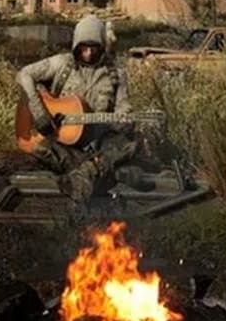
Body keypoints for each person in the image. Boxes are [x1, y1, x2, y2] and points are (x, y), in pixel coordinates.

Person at [16, 15, 141, 202]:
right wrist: (39, 113)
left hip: (99, 143)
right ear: (76, 45)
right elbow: (24, 74)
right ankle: (95, 173)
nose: (88, 54)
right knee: (41, 148)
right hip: (63, 141)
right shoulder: (61, 64)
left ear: (102, 46)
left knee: (128, 145)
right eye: (84, 48)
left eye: (94, 48)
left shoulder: (117, 74)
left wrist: (125, 120)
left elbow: (124, 108)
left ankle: (81, 176)